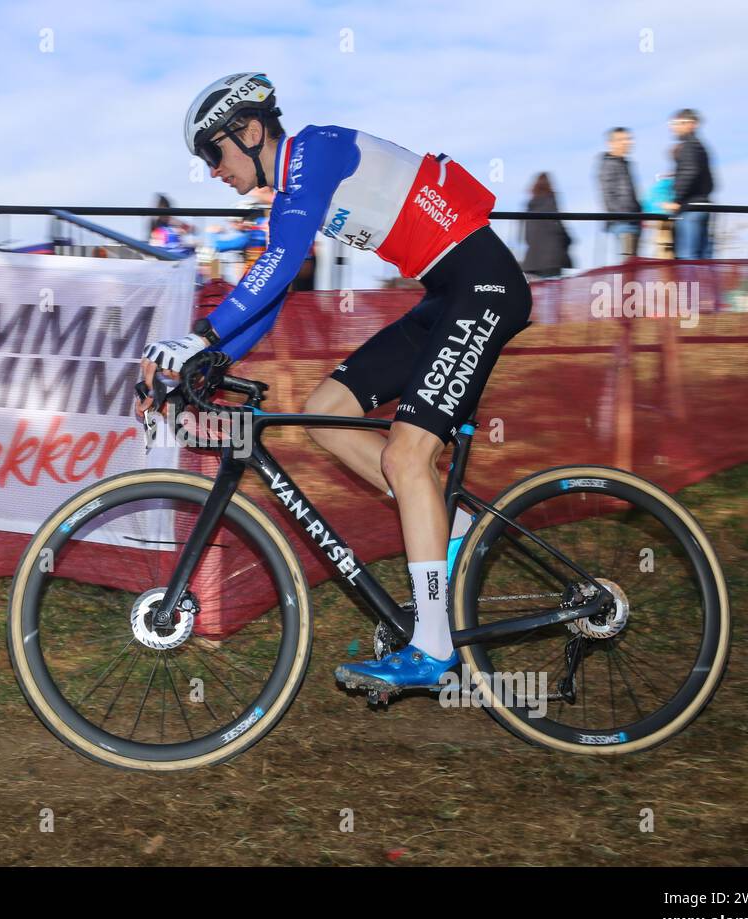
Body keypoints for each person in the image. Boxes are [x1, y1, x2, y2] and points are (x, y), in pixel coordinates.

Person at [136, 72, 533, 693]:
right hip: (446, 293)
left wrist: (200, 338)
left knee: (407, 456)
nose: (213, 170)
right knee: (327, 412)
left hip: (483, 287)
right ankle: (452, 530)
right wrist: (209, 356)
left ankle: (432, 649)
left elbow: (283, 259)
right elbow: (272, 295)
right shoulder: (297, 181)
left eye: (214, 151)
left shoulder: (314, 151)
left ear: (250, 130)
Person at [665, 109, 715, 259]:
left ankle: (693, 283)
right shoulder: (699, 145)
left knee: (689, 257)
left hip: (691, 207)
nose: (673, 127)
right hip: (702, 205)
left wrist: (676, 199)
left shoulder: (688, 145)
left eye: (677, 123)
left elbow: (689, 172)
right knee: (703, 257)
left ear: (690, 124)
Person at [597, 127, 641, 258]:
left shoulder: (624, 163)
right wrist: (624, 214)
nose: (627, 142)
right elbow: (607, 194)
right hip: (623, 222)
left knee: (633, 264)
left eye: (628, 139)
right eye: (622, 139)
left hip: (632, 220)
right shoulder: (609, 164)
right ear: (611, 143)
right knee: (628, 264)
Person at [519, 173, 572, 278]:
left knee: (535, 293)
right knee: (555, 292)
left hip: (532, 261)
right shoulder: (550, 201)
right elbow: (557, 228)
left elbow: (525, 237)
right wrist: (569, 240)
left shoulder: (529, 207)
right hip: (552, 260)